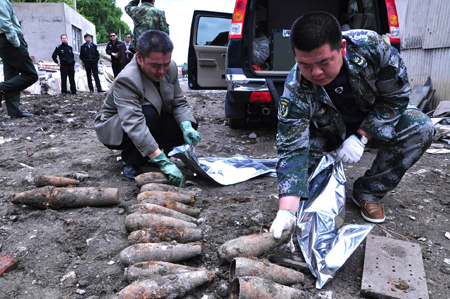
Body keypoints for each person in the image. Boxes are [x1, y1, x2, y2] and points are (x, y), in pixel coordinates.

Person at [270, 12, 434, 238]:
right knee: (301, 187)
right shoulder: (295, 87)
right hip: (327, 131)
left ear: (343, 48)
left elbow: (396, 97)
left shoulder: (372, 48)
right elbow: (292, 148)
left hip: (374, 117)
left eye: (324, 62)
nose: (315, 73)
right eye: (305, 65)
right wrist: (286, 210)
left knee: (421, 127)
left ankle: (368, 192)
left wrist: (361, 136)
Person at [94, 30, 201, 184]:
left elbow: (179, 103)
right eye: (156, 65)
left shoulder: (170, 68)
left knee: (189, 123)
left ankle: (151, 155)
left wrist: (186, 126)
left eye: (165, 64)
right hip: (117, 127)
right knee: (147, 114)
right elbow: (134, 124)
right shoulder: (127, 79)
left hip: (148, 120)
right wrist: (164, 162)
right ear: (140, 58)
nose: (161, 71)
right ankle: (131, 162)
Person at [0, 0, 38, 119]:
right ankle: (1, 88)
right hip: (10, 40)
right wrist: (15, 41)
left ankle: (14, 111)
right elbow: (4, 22)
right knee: (31, 75)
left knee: (11, 76)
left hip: (4, 42)